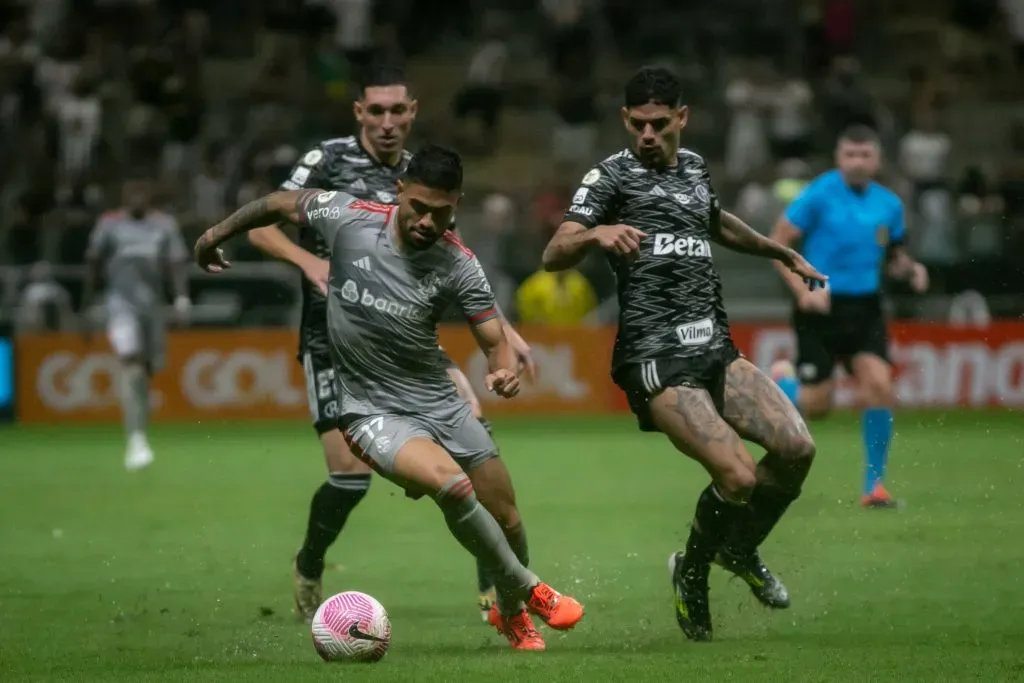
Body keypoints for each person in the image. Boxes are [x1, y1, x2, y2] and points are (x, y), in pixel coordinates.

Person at [194, 144, 584, 651]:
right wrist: (215, 234)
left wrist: (503, 372)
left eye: (440, 212)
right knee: (452, 486)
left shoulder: (459, 264)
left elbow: (495, 343)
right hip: (369, 410)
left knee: (506, 514)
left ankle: (511, 615)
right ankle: (531, 589)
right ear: (400, 190)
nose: (426, 221)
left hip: (438, 401)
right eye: (418, 207)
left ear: (457, 205)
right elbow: (276, 205)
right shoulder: (348, 217)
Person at [541, 66, 825, 641]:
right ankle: (691, 573)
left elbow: (714, 221)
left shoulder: (694, 167)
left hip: (713, 349)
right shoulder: (610, 178)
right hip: (655, 357)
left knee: (797, 448)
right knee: (739, 476)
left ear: (681, 118)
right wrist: (596, 234)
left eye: (659, 123)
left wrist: (780, 253)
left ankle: (739, 551)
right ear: (626, 120)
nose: (647, 134)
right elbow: (554, 250)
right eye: (638, 123)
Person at [245, 64, 535, 623]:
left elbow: (456, 261)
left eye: (397, 111)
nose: (386, 122)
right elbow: (264, 221)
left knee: (473, 446)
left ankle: (493, 593)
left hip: (410, 346)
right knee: (348, 477)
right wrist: (309, 262)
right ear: (359, 113)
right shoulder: (326, 160)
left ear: (413, 113)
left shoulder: (422, 175)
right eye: (375, 111)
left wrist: (505, 332)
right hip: (333, 342)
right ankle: (310, 561)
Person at [768, 124, 929, 509]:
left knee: (880, 387)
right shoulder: (819, 194)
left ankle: (874, 487)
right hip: (821, 307)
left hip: (866, 309)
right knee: (819, 408)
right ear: (839, 158)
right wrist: (801, 290)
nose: (857, 163)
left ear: (877, 160)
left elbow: (895, 255)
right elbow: (777, 242)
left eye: (865, 155)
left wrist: (910, 269)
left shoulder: (889, 204)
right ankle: (784, 386)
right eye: (850, 155)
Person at [82, 177, 191, 471]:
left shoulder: (164, 225)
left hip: (152, 308)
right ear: (124, 196)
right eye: (132, 193)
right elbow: (93, 261)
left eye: (142, 192)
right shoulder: (109, 224)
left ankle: (139, 427)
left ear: (150, 196)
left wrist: (181, 298)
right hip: (120, 305)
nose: (137, 198)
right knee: (130, 364)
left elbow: (175, 263)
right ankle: (136, 439)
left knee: (147, 370)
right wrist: (86, 304)